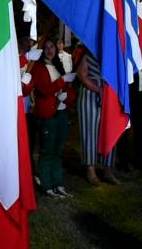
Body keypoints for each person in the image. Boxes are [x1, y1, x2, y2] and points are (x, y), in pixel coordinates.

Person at [29, 37, 76, 197]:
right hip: (47, 115)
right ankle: (47, 185)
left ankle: (58, 183)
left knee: (58, 150)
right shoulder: (38, 68)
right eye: (47, 47)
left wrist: (67, 95)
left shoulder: (58, 65)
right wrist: (61, 82)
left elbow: (69, 90)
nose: (50, 50)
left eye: (52, 47)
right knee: (47, 150)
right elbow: (44, 90)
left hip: (61, 113)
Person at [75, 46, 119, 185]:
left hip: (110, 93)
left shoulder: (113, 50)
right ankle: (91, 170)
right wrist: (98, 89)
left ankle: (108, 170)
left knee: (110, 131)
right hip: (90, 93)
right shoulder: (86, 51)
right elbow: (82, 75)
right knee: (89, 131)